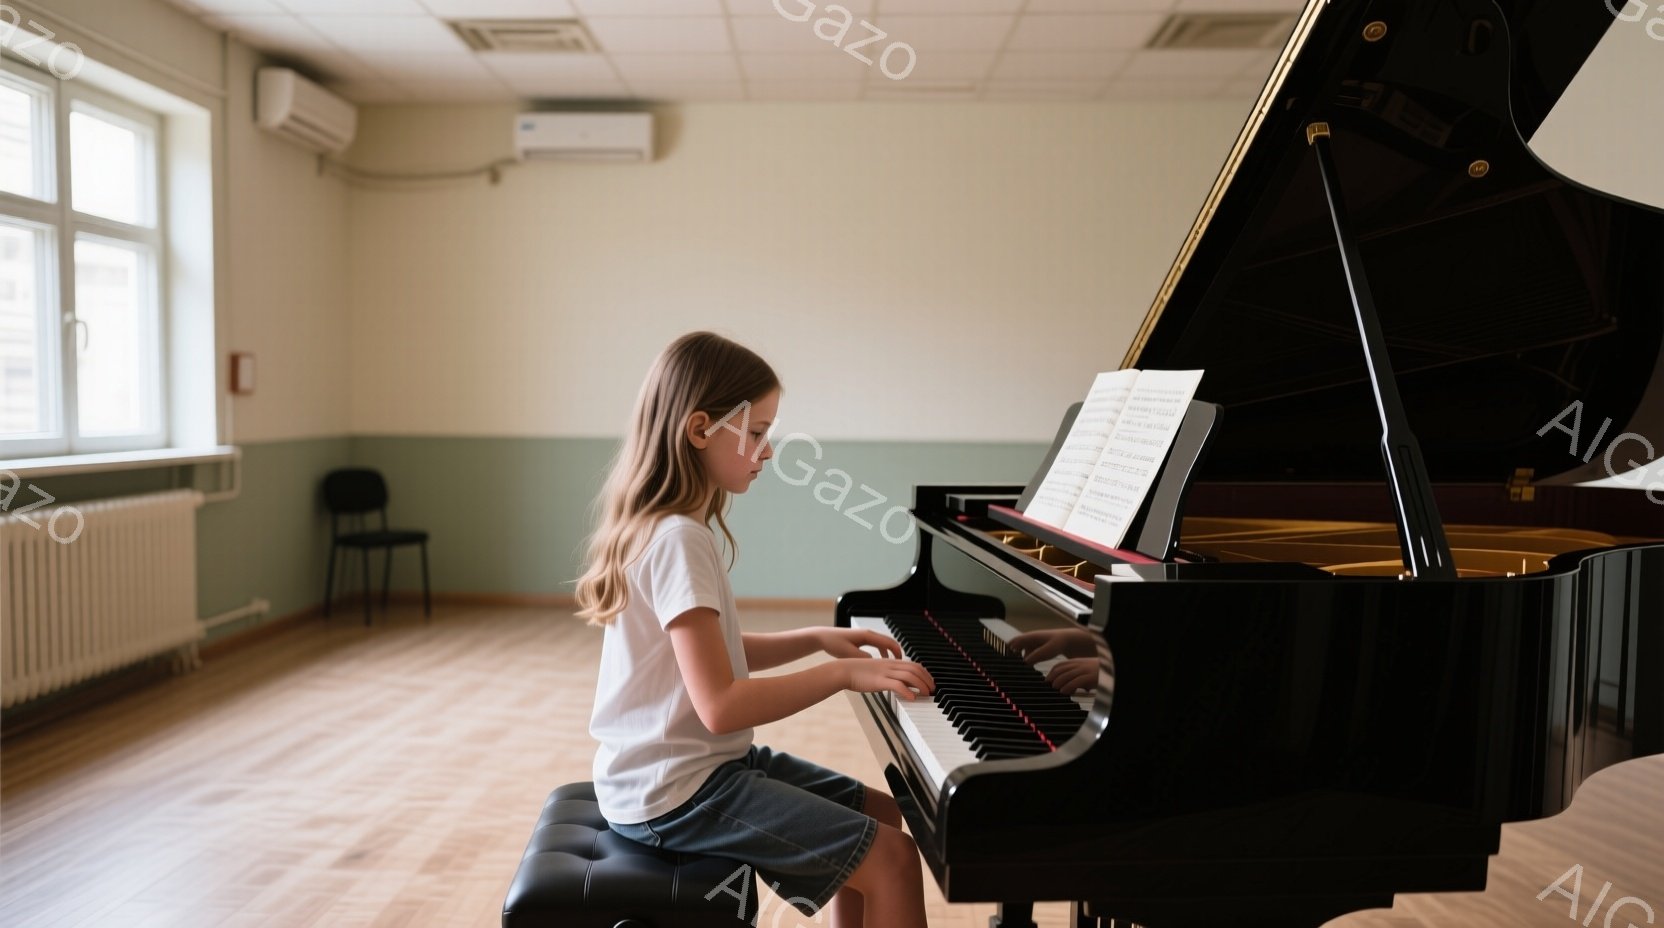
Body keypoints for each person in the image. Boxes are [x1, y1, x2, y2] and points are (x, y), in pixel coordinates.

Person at [574, 331, 935, 928]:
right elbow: (720, 704)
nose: (768, 450)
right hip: (676, 793)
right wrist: (841, 673)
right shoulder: (679, 540)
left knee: (881, 818)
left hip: (676, 773)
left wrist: (816, 638)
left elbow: (710, 657)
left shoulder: (665, 526)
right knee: (893, 858)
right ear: (699, 430)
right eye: (758, 431)